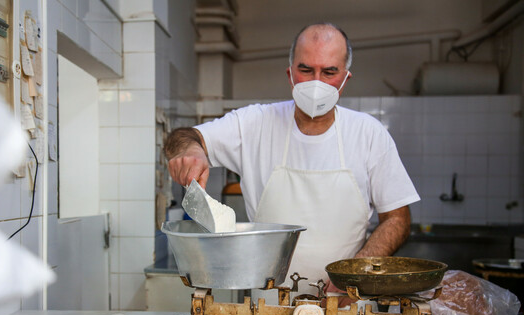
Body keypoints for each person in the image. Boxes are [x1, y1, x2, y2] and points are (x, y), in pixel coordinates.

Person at [164, 23, 420, 295]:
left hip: (346, 304)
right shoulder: (255, 124)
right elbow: (184, 136)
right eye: (306, 70)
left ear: (345, 78)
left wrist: (358, 272)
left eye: (329, 72)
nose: (316, 83)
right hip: (268, 308)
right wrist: (190, 151)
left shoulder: (368, 134)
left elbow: (397, 219)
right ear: (290, 74)